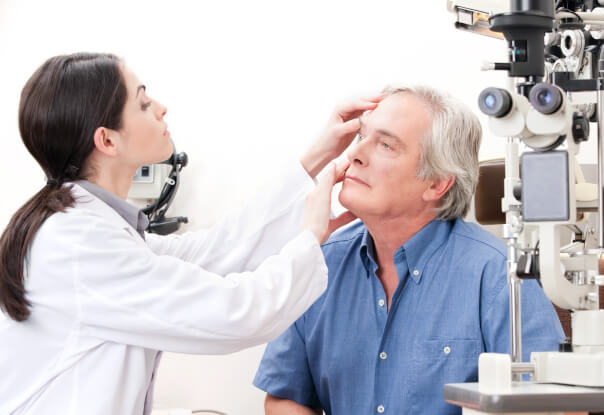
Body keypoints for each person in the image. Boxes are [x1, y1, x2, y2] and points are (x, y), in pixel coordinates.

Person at [0, 52, 379, 415]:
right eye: (144, 103)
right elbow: (236, 313)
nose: (161, 108)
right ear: (107, 140)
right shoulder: (79, 246)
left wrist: (318, 156)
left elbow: (215, 251)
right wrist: (309, 237)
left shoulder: (92, 231)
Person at [253, 86, 566, 415]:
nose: (355, 155)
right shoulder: (320, 263)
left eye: (386, 144)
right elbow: (284, 396)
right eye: (362, 137)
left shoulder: (499, 276)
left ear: (436, 183)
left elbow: (555, 408)